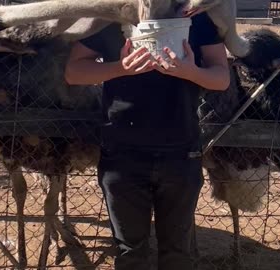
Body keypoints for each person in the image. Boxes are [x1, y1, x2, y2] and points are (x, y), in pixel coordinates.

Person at [64, 10, 230, 270]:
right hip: (122, 156)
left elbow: (222, 77)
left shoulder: (196, 17)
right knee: (130, 254)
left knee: (176, 254)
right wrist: (119, 69)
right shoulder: (112, 15)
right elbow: (74, 71)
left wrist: (190, 72)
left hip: (181, 154)